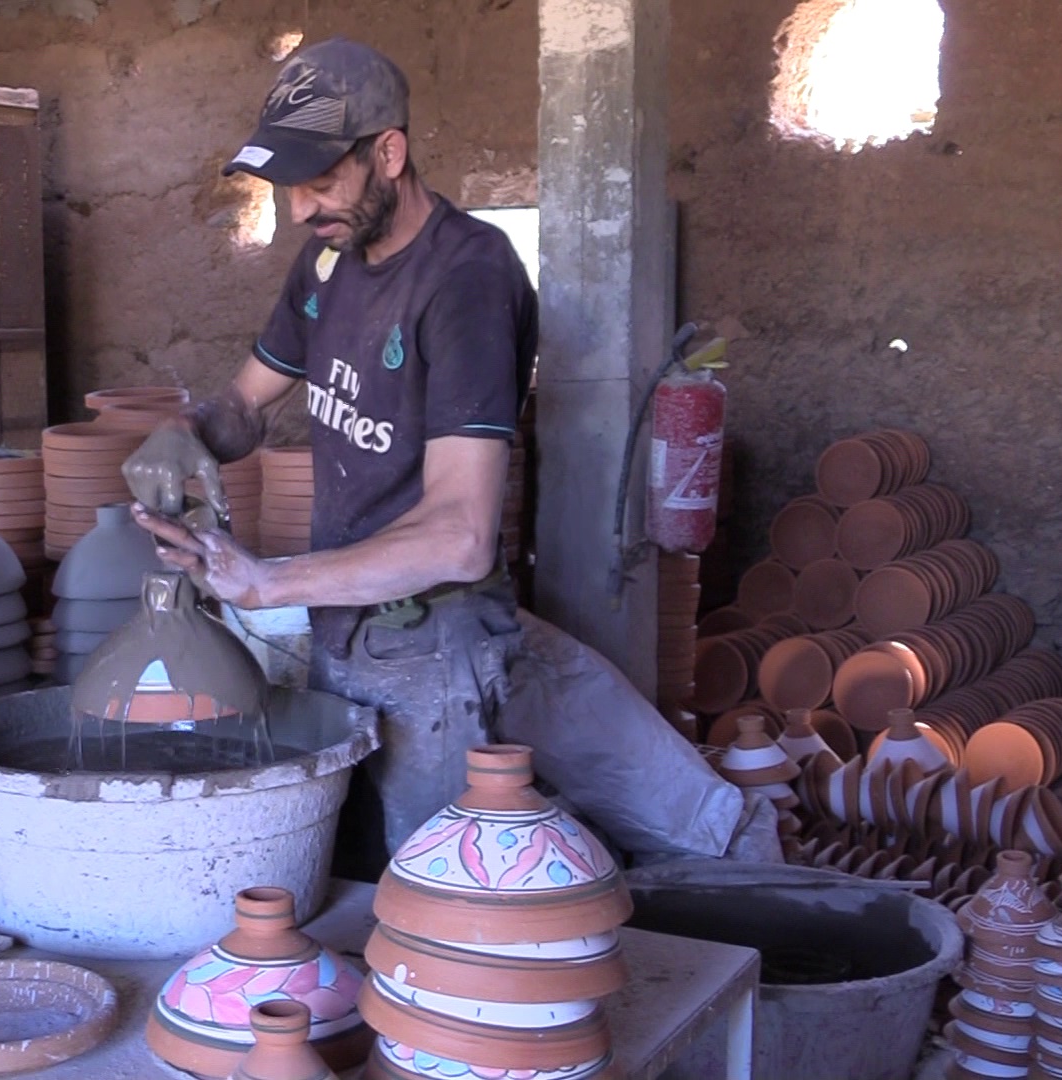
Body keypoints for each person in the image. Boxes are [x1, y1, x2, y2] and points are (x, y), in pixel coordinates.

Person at [125, 38, 773, 878]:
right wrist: (192, 431)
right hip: (344, 625)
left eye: (320, 182)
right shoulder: (326, 261)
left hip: (435, 642)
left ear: (388, 153)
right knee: (349, 874)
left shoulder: (467, 279)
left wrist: (269, 582)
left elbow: (461, 534)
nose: (297, 210)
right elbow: (247, 402)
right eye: (287, 188)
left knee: (425, 895)